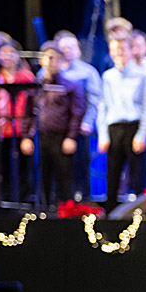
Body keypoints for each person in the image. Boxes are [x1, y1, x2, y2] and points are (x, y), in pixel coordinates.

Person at [19, 43, 85, 207]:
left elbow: (76, 113)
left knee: (64, 177)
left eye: (54, 58)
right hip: (41, 136)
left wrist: (71, 137)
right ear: (41, 60)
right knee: (42, 176)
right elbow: (28, 114)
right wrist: (26, 137)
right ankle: (44, 210)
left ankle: (67, 211)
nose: (51, 61)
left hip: (61, 136)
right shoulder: (36, 86)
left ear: (62, 61)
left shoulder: (70, 85)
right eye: (47, 57)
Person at [98, 35, 146, 212]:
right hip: (114, 128)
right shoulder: (108, 76)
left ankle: (139, 213)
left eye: (122, 49)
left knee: (137, 175)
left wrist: (141, 135)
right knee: (112, 173)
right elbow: (103, 106)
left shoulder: (142, 76)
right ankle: (110, 213)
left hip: (134, 127)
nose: (118, 53)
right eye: (115, 50)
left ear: (131, 51)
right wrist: (103, 135)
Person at [50, 31, 102, 201]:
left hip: (78, 128)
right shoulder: (48, 72)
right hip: (55, 130)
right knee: (58, 170)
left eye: (71, 47)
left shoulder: (87, 72)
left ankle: (82, 203)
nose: (67, 51)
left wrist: (87, 122)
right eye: (63, 48)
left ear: (78, 50)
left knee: (80, 169)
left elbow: (95, 101)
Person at [0, 39, 36, 202]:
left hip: (21, 130)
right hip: (2, 129)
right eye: (3, 53)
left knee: (23, 168)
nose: (7, 57)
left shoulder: (27, 77)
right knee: (3, 167)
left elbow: (32, 108)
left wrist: (28, 135)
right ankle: (4, 200)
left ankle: (23, 201)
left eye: (11, 53)